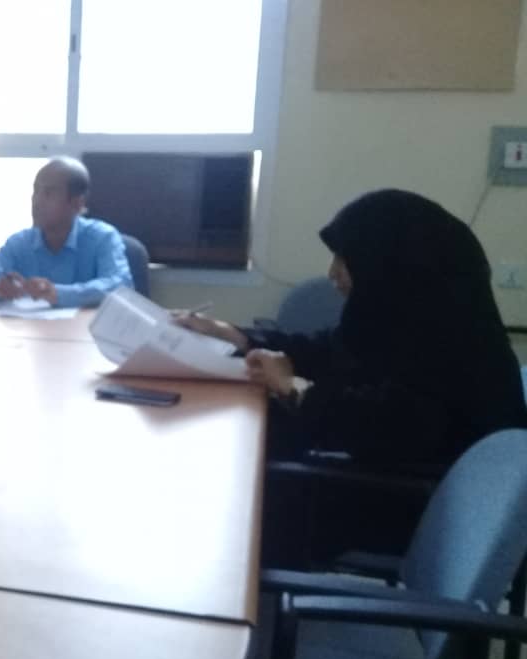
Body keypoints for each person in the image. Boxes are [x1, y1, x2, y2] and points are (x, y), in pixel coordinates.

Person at [181, 189, 527, 564]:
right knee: (251, 449)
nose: (332, 274)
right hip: (393, 480)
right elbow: (330, 352)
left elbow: (389, 429)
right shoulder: (409, 311)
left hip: (423, 506)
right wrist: (238, 336)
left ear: (386, 263)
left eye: (345, 260)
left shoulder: (453, 341)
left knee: (240, 490)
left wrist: (295, 389)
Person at [0, 157, 133, 308]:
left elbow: (121, 285)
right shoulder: (19, 243)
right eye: (35, 191)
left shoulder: (103, 238)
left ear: (77, 203)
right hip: (29, 330)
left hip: (82, 331)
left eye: (49, 193)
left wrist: (58, 294)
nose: (36, 201)